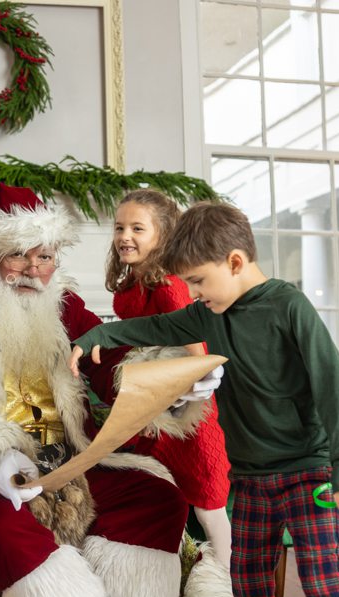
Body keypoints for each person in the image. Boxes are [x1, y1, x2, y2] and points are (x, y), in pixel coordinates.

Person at [0, 182, 238, 597]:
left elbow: (114, 361)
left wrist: (173, 382)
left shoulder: (65, 309)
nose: (33, 270)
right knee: (1, 525)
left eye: (43, 256)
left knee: (156, 496)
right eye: (17, 257)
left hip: (69, 461)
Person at [69, 200, 339, 597]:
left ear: (235, 263)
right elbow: (154, 328)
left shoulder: (287, 306)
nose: (193, 293)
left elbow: (332, 381)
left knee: (325, 586)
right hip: (252, 478)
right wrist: (99, 334)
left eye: (198, 281)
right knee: (248, 583)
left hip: (308, 472)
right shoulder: (208, 314)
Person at [107, 189, 233, 569]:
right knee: (154, 491)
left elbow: (198, 358)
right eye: (119, 227)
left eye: (137, 228)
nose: (124, 235)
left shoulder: (169, 287)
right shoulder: (131, 286)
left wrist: (170, 403)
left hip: (191, 411)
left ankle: (234, 588)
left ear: (162, 235)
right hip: (155, 405)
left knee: (210, 507)